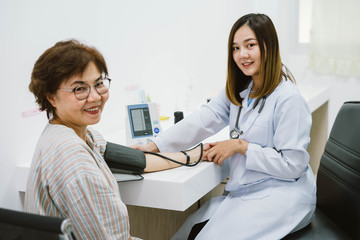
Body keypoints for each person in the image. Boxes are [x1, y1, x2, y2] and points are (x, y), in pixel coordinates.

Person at [136, 13, 316, 239]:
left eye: (250, 45)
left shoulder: (288, 99)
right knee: (186, 232)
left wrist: (241, 146)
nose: (242, 55)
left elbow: (294, 165)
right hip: (250, 189)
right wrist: (155, 145)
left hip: (283, 195)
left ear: (268, 46)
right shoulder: (243, 88)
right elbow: (204, 118)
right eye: (235, 48)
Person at [24, 39, 202, 240]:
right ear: (51, 97)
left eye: (99, 84)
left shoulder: (70, 134)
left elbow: (136, 160)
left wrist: (192, 155)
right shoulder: (73, 157)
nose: (95, 97)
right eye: (79, 89)